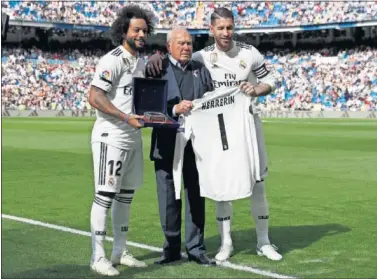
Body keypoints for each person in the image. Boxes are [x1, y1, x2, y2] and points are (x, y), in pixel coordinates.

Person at [146, 7, 282, 262]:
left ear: (234, 27)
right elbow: (174, 57)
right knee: (220, 183)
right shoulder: (202, 56)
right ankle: (226, 243)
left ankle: (264, 242)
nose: (225, 32)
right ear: (211, 30)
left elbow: (272, 79)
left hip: (246, 125)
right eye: (220, 28)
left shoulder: (249, 53)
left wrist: (256, 88)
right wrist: (155, 55)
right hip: (216, 131)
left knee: (258, 183)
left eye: (229, 27)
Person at [88, 5, 155, 276]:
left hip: (133, 138)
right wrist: (125, 117)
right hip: (111, 136)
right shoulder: (112, 60)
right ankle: (98, 256)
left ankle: (119, 251)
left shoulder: (139, 61)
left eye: (145, 30)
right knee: (105, 196)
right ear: (123, 31)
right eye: (136, 29)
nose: (141, 34)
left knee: (125, 198)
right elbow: (95, 96)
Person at [146, 27, 216, 266]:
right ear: (169, 46)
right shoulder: (158, 68)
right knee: (168, 198)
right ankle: (172, 248)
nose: (186, 47)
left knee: (196, 197)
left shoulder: (201, 71)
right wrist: (175, 110)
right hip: (166, 143)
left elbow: (214, 103)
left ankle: (196, 247)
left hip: (197, 147)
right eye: (181, 43)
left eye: (189, 43)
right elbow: (148, 110)